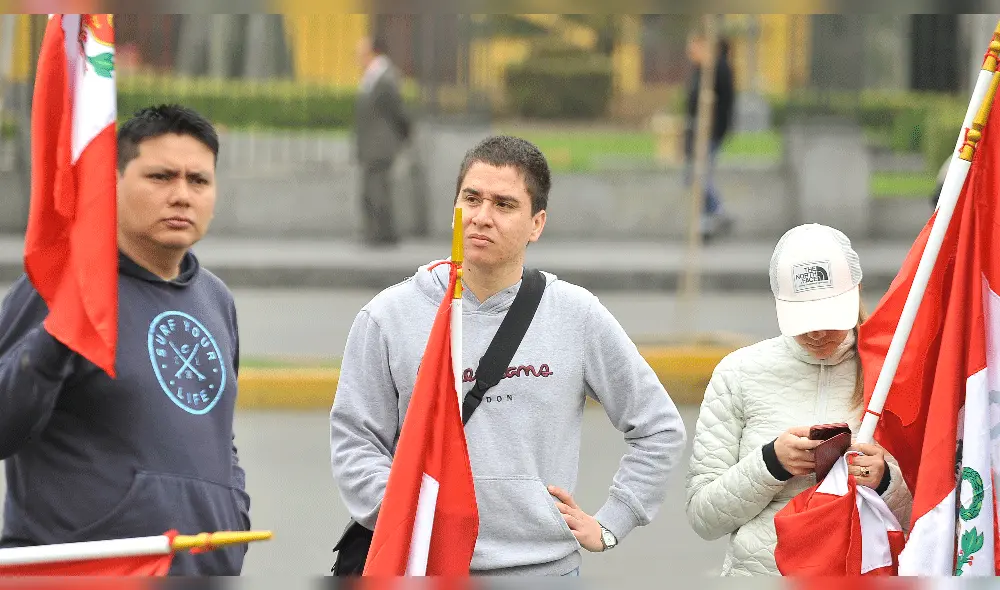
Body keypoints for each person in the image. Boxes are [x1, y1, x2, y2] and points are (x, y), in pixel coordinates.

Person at [330, 135, 687, 576]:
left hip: (541, 568)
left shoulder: (575, 314)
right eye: (471, 198)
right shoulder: (389, 316)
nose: (481, 217)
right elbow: (355, 439)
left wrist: (613, 521)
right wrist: (407, 514)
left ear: (536, 224)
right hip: (421, 565)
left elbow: (658, 428)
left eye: (504, 204)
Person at [0, 104, 251, 575]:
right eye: (160, 177)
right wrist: (54, 340)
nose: (181, 196)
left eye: (198, 181)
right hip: (85, 571)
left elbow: (218, 434)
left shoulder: (215, 299)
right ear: (111, 183)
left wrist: (231, 505)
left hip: (198, 568)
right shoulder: (57, 286)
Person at [684, 223, 912, 576]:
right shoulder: (738, 373)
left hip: (860, 574)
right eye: (805, 320)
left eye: (829, 317)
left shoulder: (893, 371)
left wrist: (883, 480)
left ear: (857, 292)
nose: (818, 333)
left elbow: (937, 514)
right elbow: (704, 518)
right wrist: (771, 463)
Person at [353, 35, 412, 246]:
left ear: (373, 52)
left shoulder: (386, 76)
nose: (358, 57)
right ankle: (376, 232)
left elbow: (399, 111)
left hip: (381, 144)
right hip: (372, 144)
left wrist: (403, 136)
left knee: (378, 189)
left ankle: (383, 234)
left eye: (361, 52)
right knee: (372, 189)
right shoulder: (372, 76)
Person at [683, 32, 736, 242]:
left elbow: (718, 105)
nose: (690, 52)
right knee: (695, 176)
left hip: (710, 132)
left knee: (698, 175)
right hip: (699, 132)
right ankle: (705, 222)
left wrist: (708, 131)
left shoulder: (716, 70)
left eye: (694, 47)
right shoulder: (702, 70)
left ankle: (717, 211)